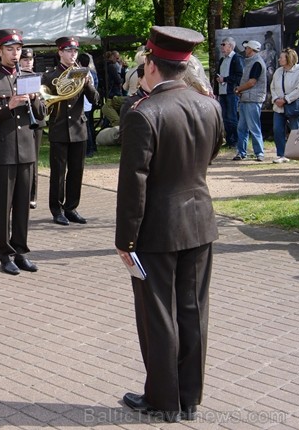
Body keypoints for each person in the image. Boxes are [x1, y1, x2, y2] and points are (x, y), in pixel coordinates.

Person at [116, 26, 223, 423]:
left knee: (159, 316)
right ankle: (189, 398)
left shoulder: (143, 113)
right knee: (194, 311)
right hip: (200, 221)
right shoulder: (209, 105)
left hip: (157, 229)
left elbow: (133, 185)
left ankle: (164, 399)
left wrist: (125, 239)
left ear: (151, 64)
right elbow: (211, 153)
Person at [0, 29, 45, 275]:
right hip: (3, 152)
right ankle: (4, 254)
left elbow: (41, 114)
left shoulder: (29, 75)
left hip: (26, 151)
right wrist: (9, 105)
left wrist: (36, 99)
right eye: (9, 49)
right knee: (3, 208)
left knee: (23, 206)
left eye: (18, 49)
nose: (15, 54)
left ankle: (21, 251)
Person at [41, 37, 98, 226]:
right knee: (58, 173)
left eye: (74, 51)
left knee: (76, 171)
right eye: (68, 51)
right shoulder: (49, 76)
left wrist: (89, 83)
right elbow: (44, 104)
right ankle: (56, 210)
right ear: (60, 53)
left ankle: (71, 207)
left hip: (79, 128)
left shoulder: (82, 73)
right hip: (59, 127)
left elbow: (95, 99)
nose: (72, 54)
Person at [271, 47, 299, 163]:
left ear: (288, 58)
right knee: (277, 129)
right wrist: (276, 99)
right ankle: (281, 154)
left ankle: (296, 154)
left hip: (294, 106)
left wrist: (286, 99)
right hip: (279, 107)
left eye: (281, 57)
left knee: (295, 131)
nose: (279, 59)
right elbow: (272, 87)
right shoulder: (278, 71)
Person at [232, 40, 266, 162]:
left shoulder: (256, 62)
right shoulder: (251, 62)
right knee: (241, 127)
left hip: (253, 99)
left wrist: (239, 89)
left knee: (254, 127)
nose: (245, 50)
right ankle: (241, 152)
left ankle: (259, 153)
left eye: (247, 48)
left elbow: (252, 82)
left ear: (251, 49)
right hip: (246, 99)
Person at [19, 48, 44, 209]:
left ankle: (32, 195)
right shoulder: (17, 76)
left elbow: (43, 104)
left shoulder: (38, 77)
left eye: (30, 59)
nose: (28, 62)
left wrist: (35, 97)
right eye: (25, 59)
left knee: (33, 159)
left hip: (36, 122)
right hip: (21, 121)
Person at [215, 37, 243, 148]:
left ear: (230, 46)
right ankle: (229, 140)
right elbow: (218, 75)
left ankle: (235, 140)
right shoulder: (222, 60)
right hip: (222, 92)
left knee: (232, 117)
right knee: (225, 117)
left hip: (231, 92)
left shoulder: (237, 58)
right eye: (221, 44)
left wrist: (225, 79)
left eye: (224, 44)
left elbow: (239, 75)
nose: (221, 46)